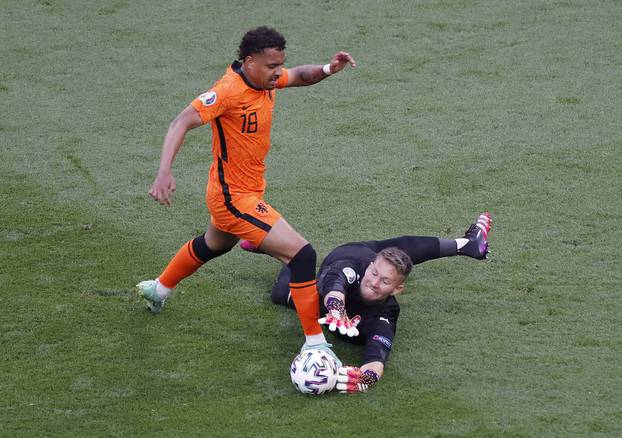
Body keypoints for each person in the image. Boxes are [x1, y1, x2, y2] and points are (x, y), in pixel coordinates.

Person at [136, 26, 356, 359]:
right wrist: (164, 171)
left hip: (245, 191)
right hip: (233, 198)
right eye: (271, 66)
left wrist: (328, 69)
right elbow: (180, 122)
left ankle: (159, 288)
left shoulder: (265, 80)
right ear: (249, 61)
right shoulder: (227, 92)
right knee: (302, 255)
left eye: (279, 64)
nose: (278, 72)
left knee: (214, 244)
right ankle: (315, 344)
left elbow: (299, 76)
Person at [241, 212, 492, 393]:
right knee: (282, 295)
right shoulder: (354, 269)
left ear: (398, 289)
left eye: (385, 282)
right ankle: (293, 253)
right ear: (370, 266)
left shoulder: (387, 313)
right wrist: (336, 309)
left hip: (369, 268)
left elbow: (377, 356)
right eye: (374, 274)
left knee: (401, 257)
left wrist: (367, 377)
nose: (374, 283)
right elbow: (336, 287)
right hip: (345, 257)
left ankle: (470, 245)